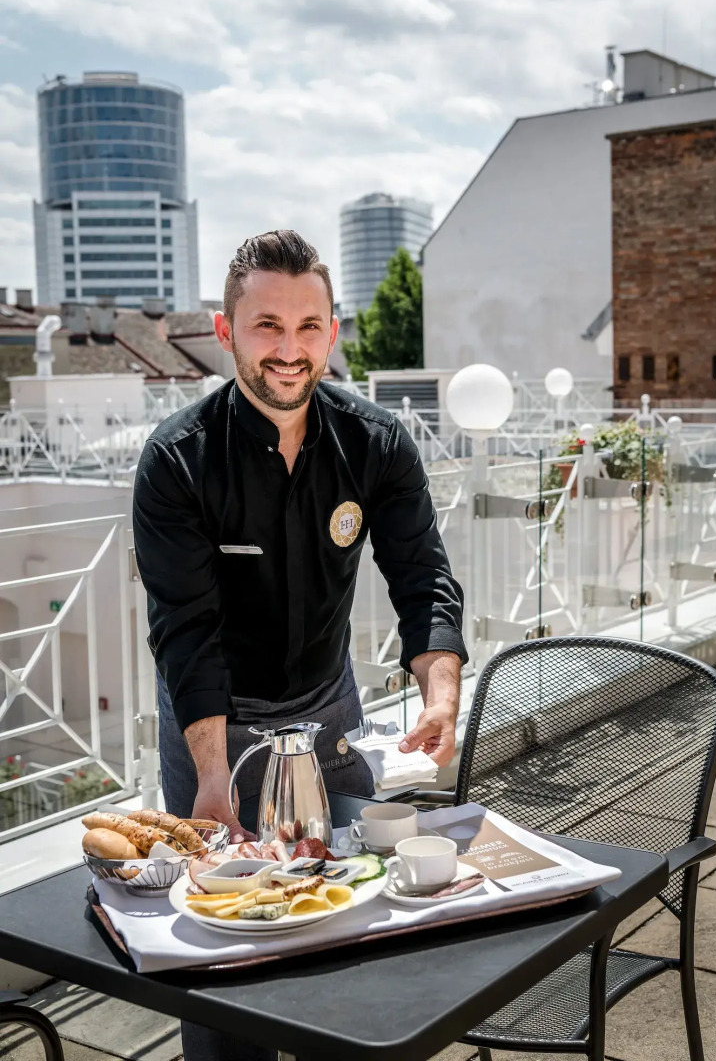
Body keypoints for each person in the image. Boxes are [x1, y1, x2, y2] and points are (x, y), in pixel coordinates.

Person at [132, 230, 468, 1061]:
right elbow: (186, 629)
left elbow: (422, 575)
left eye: (309, 326)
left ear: (334, 331)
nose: (290, 351)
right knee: (221, 960)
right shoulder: (177, 461)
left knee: (357, 927)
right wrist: (212, 776)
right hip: (216, 724)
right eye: (267, 327)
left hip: (331, 717)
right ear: (226, 331)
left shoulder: (377, 441)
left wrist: (441, 691)